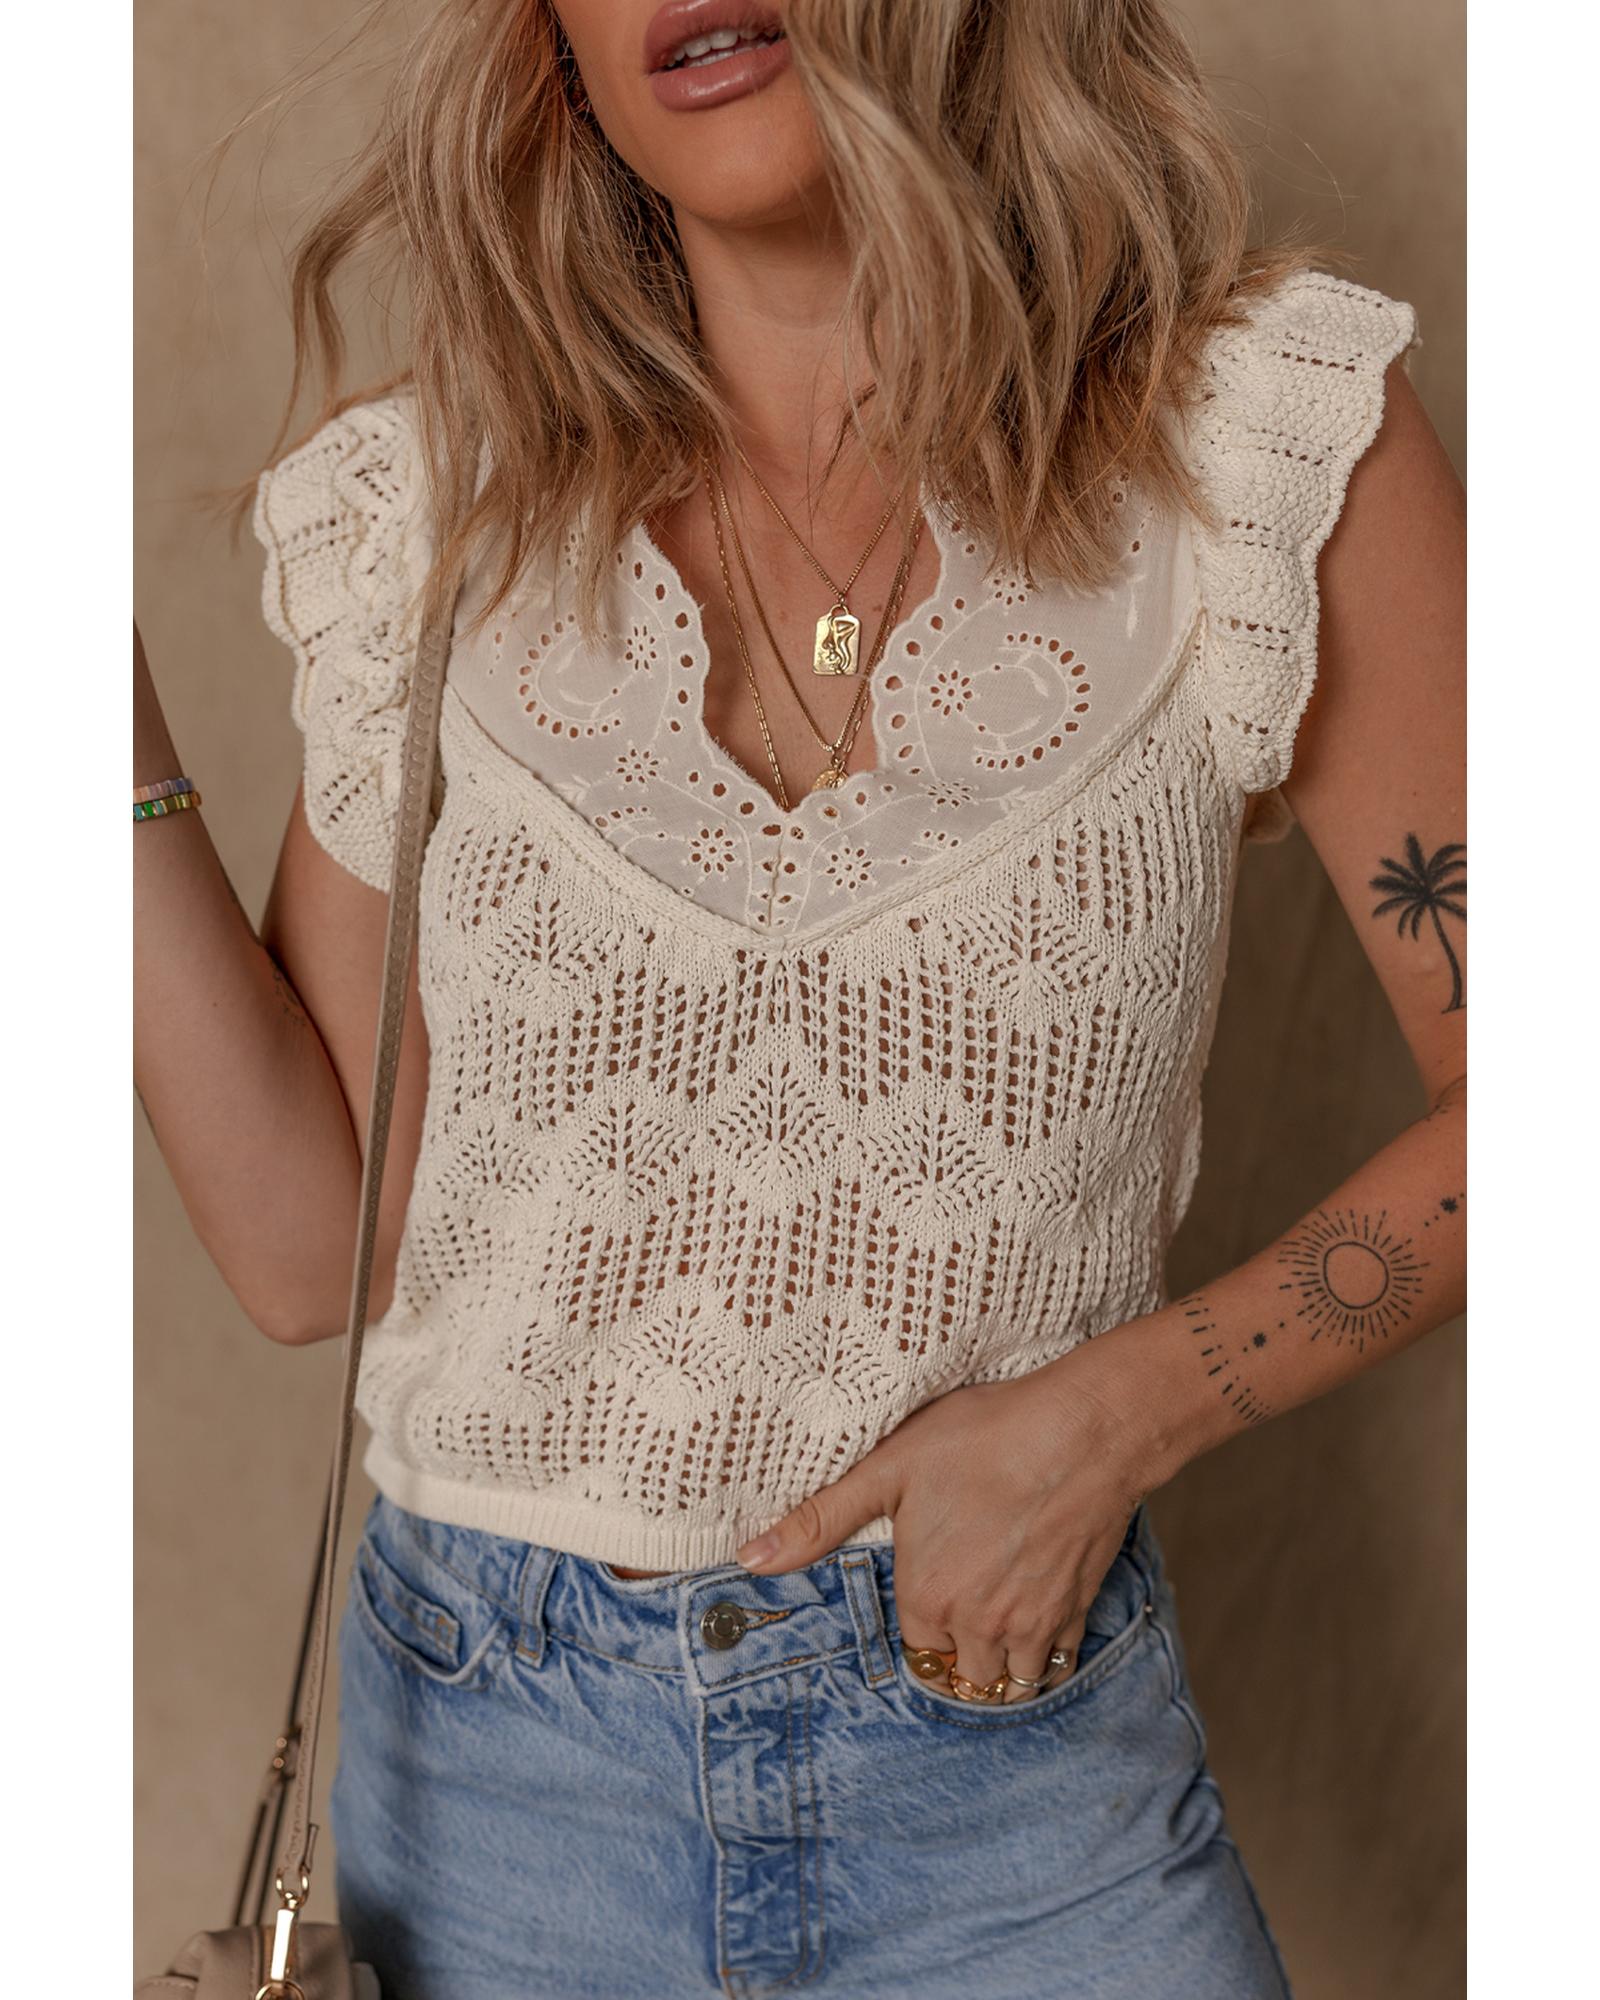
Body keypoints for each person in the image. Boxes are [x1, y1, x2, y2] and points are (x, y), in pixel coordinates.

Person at [133, 2, 1465, 1994]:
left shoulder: (1253, 447)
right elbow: (312, 1246)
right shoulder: (438, 507)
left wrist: (1121, 1410)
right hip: (493, 1791)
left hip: (1020, 1779)